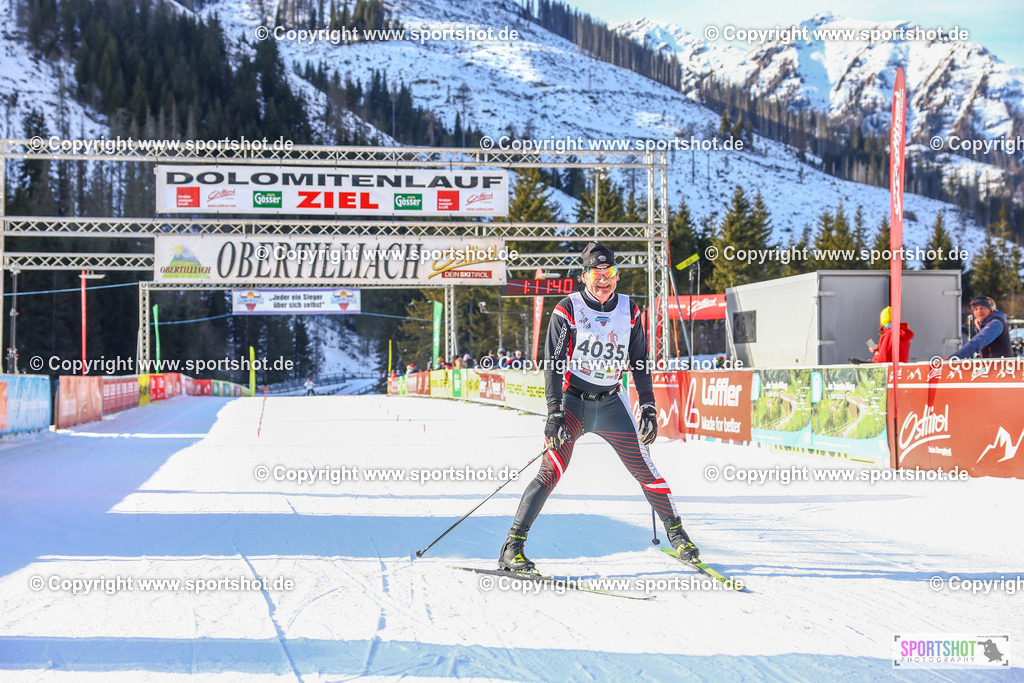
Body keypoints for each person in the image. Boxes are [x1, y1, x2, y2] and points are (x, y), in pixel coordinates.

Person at [498, 241, 698, 573]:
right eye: (597, 273)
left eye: (610, 273)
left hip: (611, 404)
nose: (603, 280)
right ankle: (512, 547)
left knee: (645, 469)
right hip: (573, 402)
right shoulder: (567, 309)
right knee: (550, 473)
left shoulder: (630, 310)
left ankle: (678, 536)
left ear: (616, 276)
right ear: (584, 276)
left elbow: (639, 362)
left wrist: (647, 407)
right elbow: (554, 363)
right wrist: (554, 412)